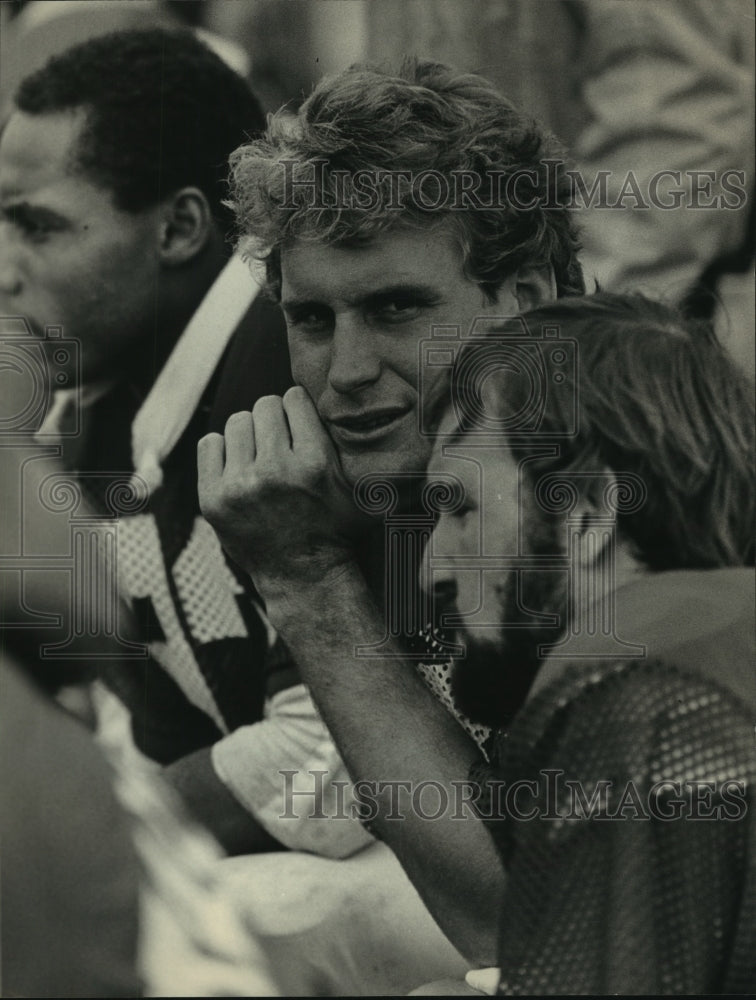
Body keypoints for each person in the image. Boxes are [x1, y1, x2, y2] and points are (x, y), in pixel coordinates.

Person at [199, 292, 755, 993]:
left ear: (585, 515)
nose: (433, 567)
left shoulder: (638, 684)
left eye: (460, 508)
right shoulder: (701, 647)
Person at [199, 56, 584, 968]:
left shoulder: (617, 479)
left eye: (397, 307)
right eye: (314, 321)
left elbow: (524, 926)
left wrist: (305, 581)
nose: (349, 372)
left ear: (523, 300)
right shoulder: (382, 461)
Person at [0, 27, 368, 862]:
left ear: (178, 229)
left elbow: (334, 763)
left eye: (38, 226)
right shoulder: (90, 400)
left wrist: (107, 846)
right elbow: (125, 723)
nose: (4, 268)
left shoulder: (295, 370)